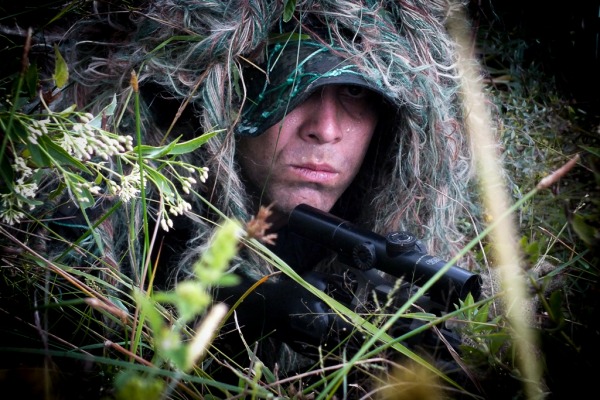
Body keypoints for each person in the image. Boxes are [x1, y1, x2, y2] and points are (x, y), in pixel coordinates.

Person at [2, 0, 482, 393]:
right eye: (293, 88)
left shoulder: (382, 212)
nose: (326, 130)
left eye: (355, 96)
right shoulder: (127, 194)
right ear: (227, 93)